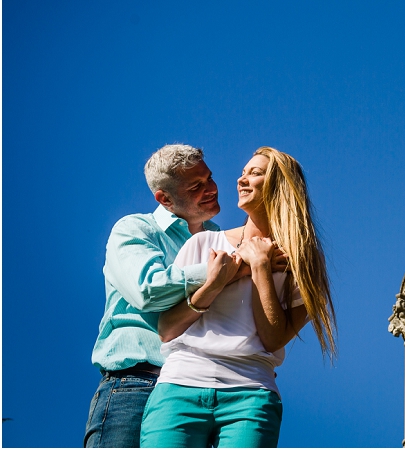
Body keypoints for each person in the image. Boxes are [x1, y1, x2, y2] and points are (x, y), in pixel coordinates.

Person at [140, 146, 336, 448]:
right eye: (242, 173)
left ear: (280, 185)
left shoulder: (303, 263)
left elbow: (272, 338)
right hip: (179, 387)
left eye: (255, 173)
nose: (241, 180)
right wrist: (217, 283)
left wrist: (259, 265)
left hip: (251, 395)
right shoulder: (204, 242)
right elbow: (167, 329)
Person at [85, 145, 235, 448]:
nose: (211, 189)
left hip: (199, 391)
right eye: (196, 186)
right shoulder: (135, 230)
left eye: (209, 178)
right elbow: (148, 291)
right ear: (164, 198)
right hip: (135, 387)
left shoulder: (224, 241)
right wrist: (215, 274)